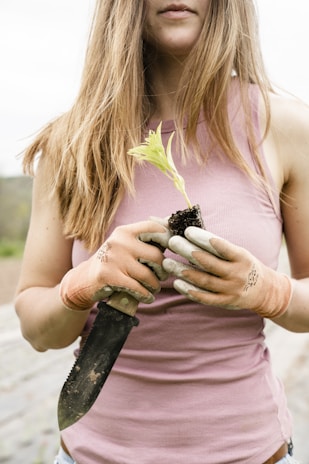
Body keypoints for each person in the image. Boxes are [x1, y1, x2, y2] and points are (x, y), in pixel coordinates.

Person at [14, 0, 309, 463]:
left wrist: (267, 290)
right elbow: (36, 327)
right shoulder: (72, 141)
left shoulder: (284, 126)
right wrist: (83, 284)